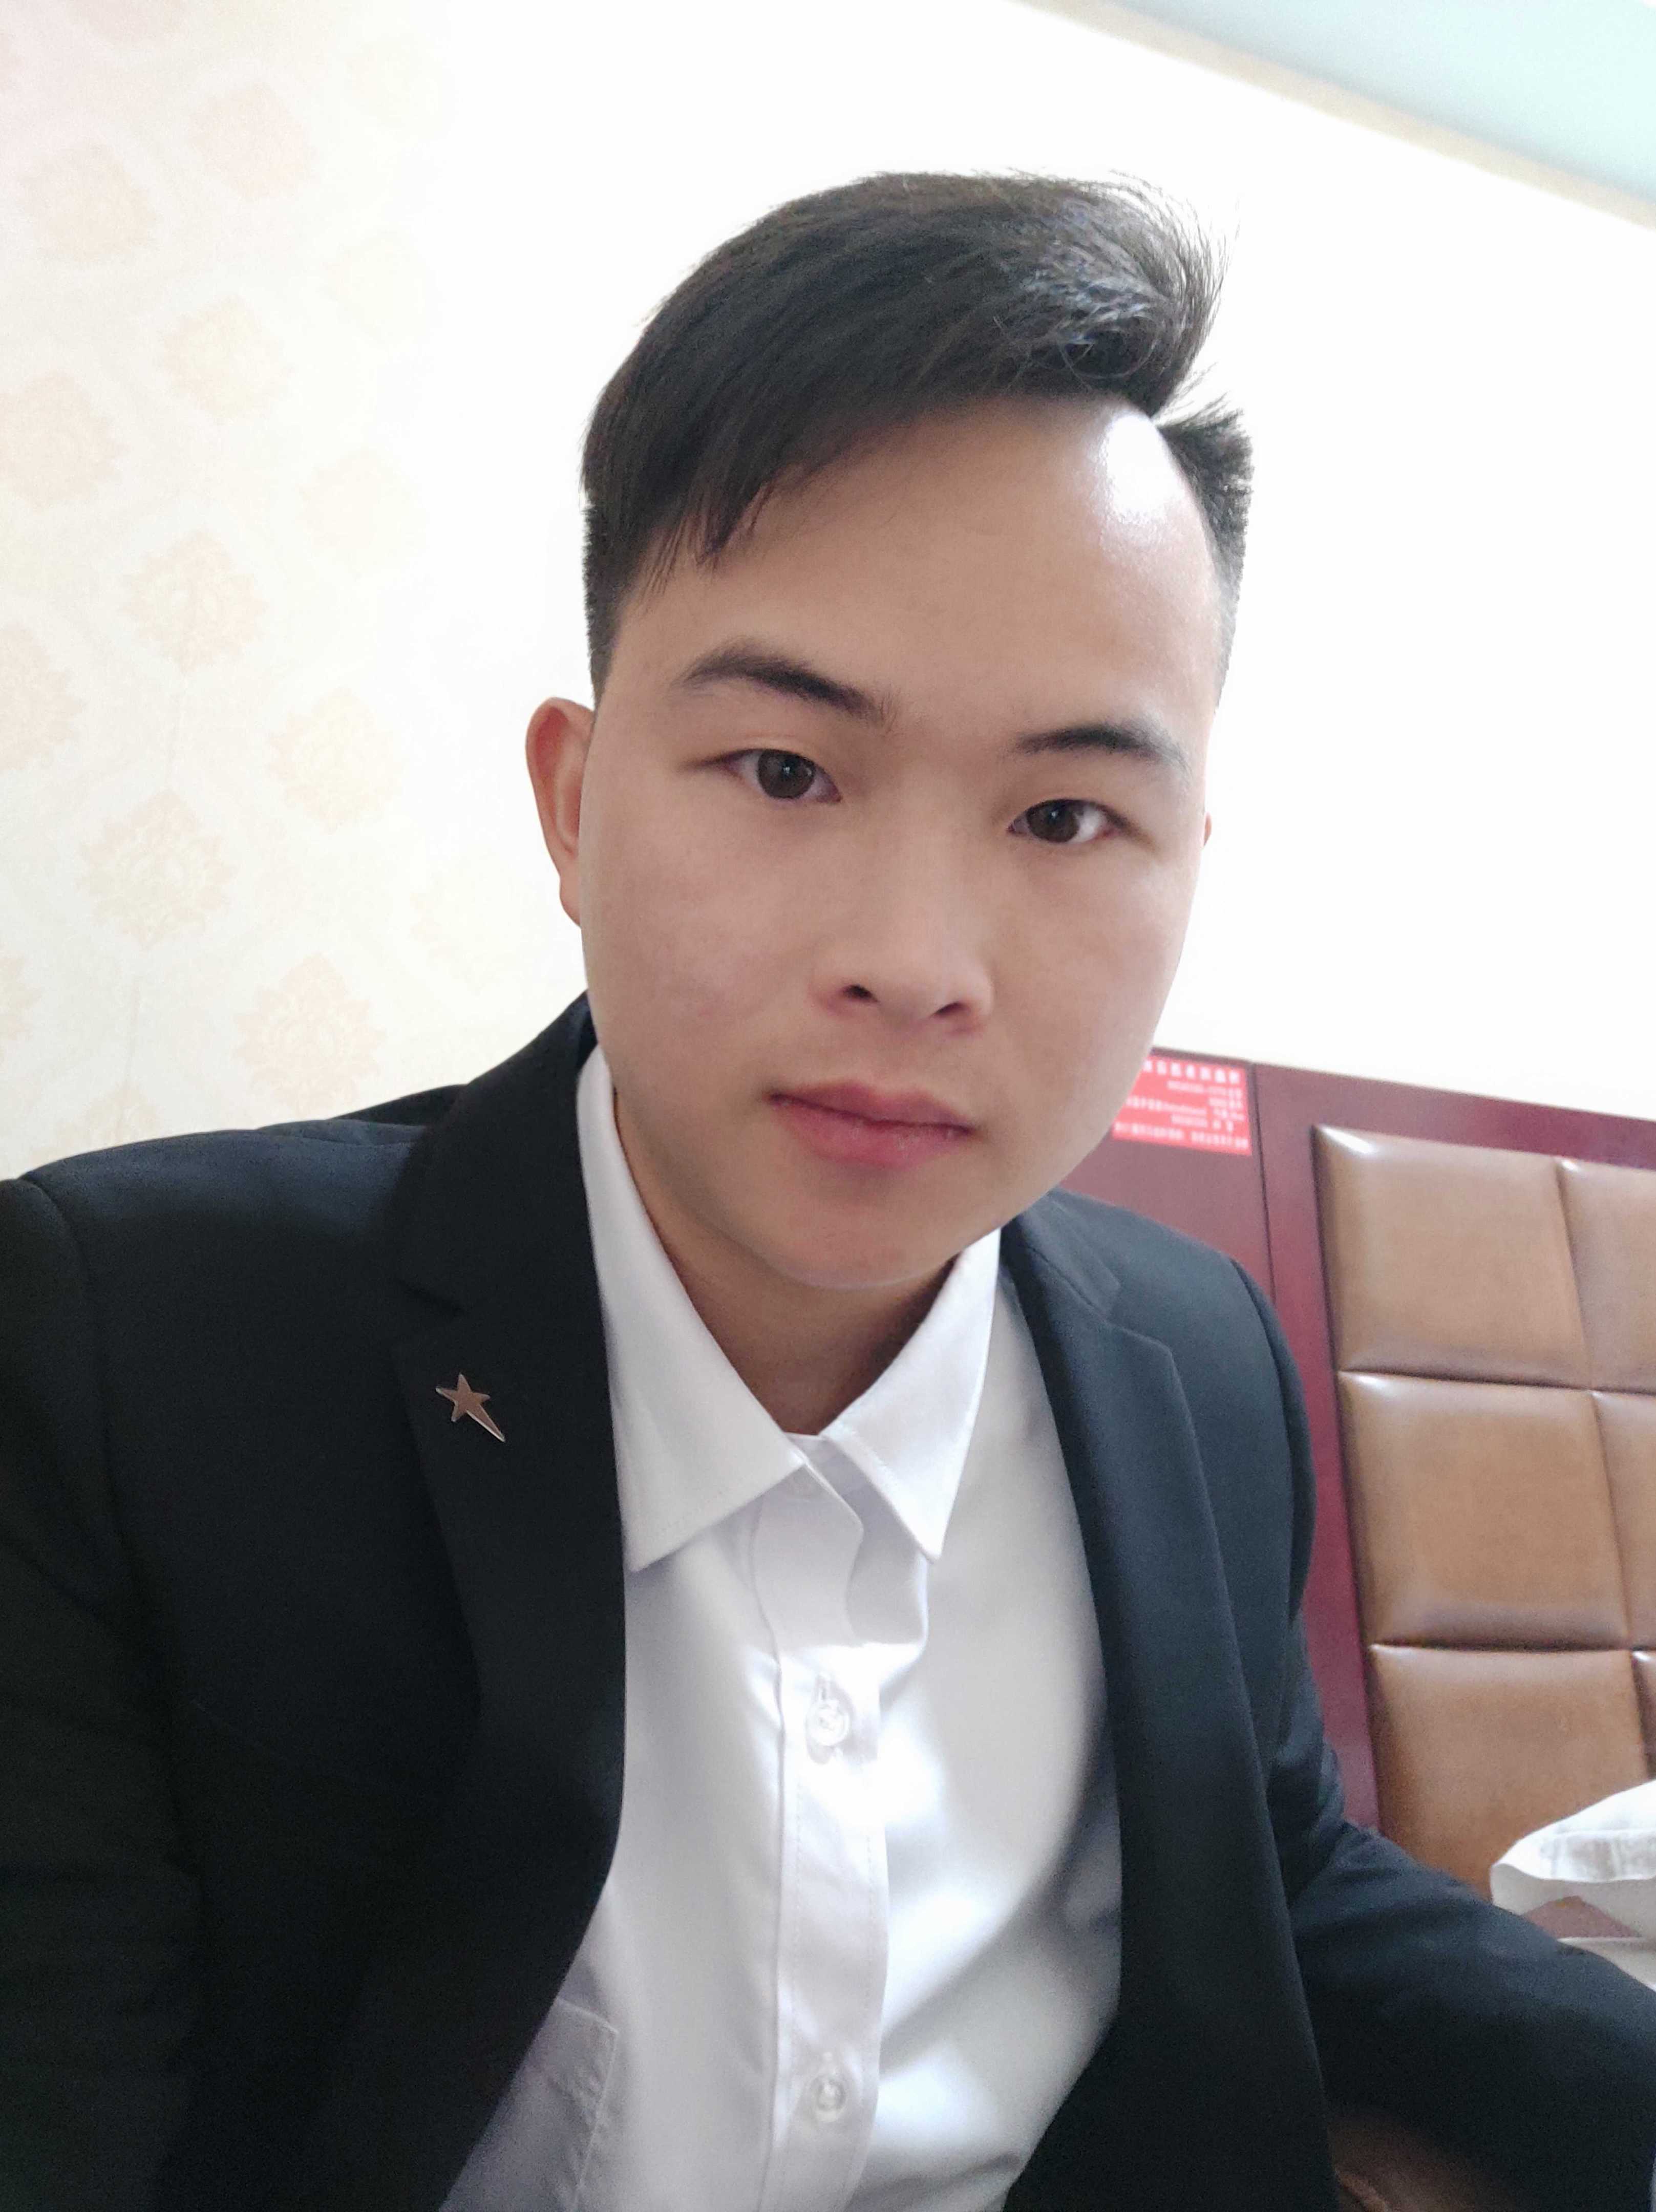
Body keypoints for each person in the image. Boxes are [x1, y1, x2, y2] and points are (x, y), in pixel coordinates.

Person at [1, 172, 1653, 2212]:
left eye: (1067, 815)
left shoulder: (1193, 1355)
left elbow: (1272, 1859)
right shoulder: (133, 1348)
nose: (914, 960)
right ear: (575, 804)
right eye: (785, 772)